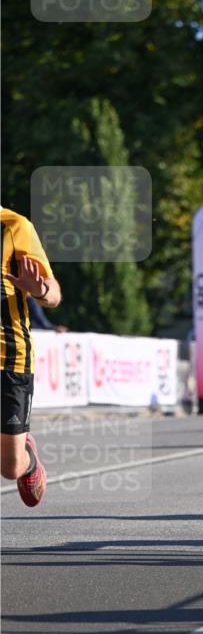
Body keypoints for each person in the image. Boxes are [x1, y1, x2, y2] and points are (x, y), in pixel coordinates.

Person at [1, 207, 62, 505]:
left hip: (10, 357)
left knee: (10, 468)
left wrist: (39, 291)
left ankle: (28, 459)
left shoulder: (15, 226)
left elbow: (54, 293)